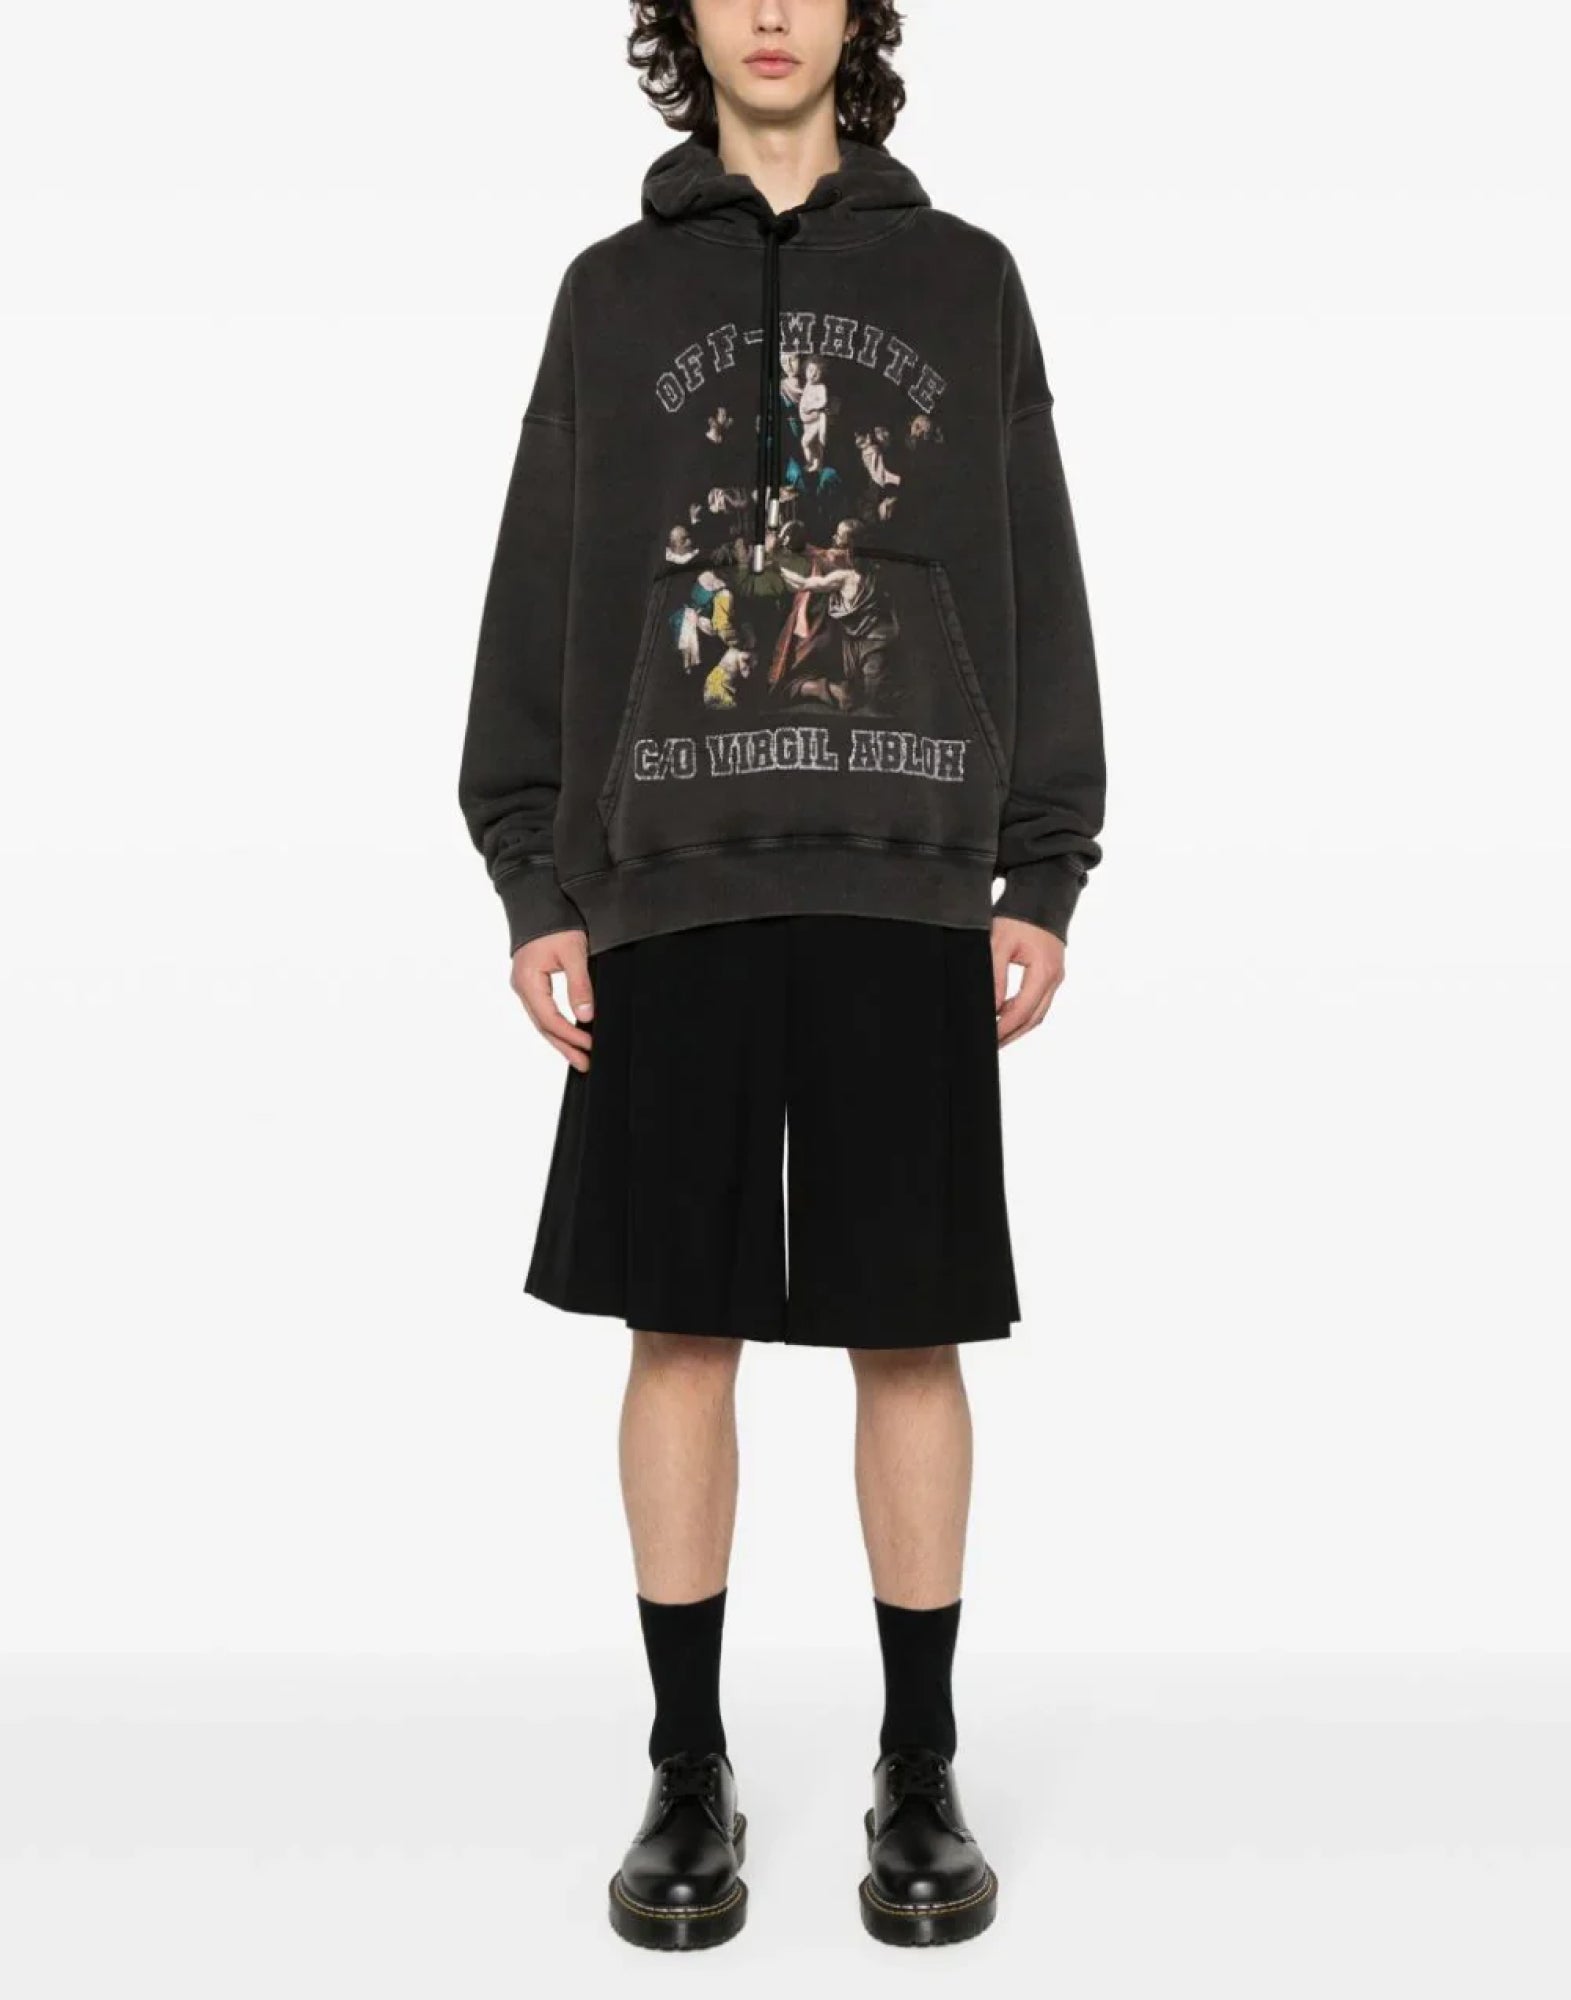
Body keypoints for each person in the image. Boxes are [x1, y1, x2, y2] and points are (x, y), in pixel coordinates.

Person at [457, 0, 1105, 1952]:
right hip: (668, 880)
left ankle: (920, 1761)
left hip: (908, 873)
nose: (766, 10)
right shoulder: (609, 295)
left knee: (912, 1329)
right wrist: (533, 872)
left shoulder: (966, 282)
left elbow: (1032, 563)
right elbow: (542, 581)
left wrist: (1044, 859)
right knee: (680, 1325)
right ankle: (686, 1764)